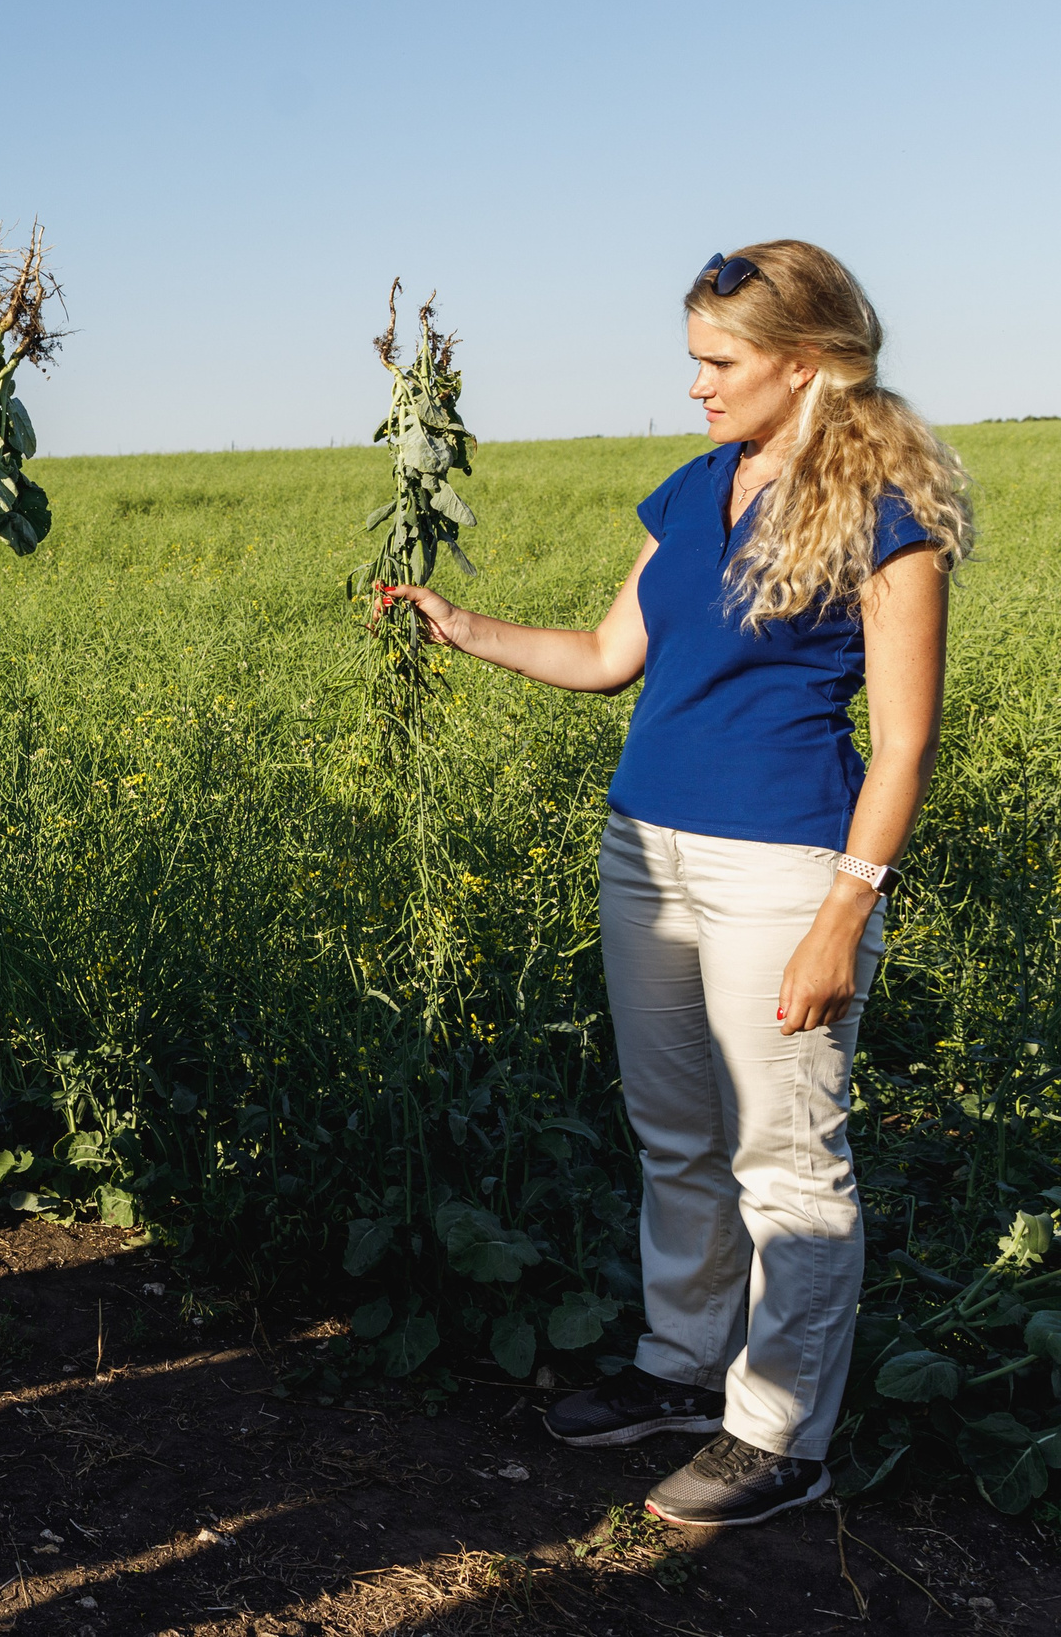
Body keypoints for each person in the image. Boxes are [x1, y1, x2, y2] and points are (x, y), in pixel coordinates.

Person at [384, 241, 973, 1527]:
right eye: (693, 359)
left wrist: (845, 911)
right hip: (643, 853)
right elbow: (609, 654)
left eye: (720, 361)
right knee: (676, 1138)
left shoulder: (885, 513)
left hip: (784, 872)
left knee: (787, 1162)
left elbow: (903, 743)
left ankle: (781, 1437)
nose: (695, 383)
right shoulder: (697, 487)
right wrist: (463, 628)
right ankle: (681, 1368)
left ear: (802, 364)